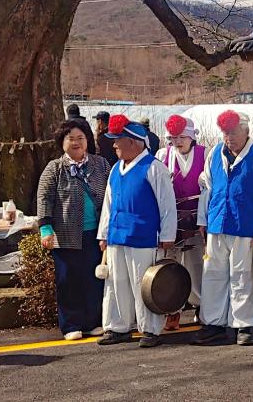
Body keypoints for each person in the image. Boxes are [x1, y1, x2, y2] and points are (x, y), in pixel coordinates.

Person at [193, 110, 253, 347]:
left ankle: (244, 324)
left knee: (243, 277)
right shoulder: (214, 154)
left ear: (246, 131)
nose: (228, 137)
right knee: (213, 275)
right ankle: (213, 324)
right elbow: (207, 189)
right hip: (217, 224)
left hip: (246, 226)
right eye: (225, 133)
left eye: (233, 132)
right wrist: (203, 220)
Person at [95, 116, 177, 349]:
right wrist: (103, 233)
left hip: (143, 236)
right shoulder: (115, 170)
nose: (114, 145)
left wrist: (167, 236)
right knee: (116, 283)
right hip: (116, 236)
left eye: (118, 140)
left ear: (133, 142)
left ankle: (150, 328)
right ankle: (117, 326)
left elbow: (167, 205)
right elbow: (108, 205)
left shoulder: (154, 168)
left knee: (144, 285)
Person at [36, 119, 112, 340]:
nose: (76, 142)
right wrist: (45, 229)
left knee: (92, 279)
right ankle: (70, 325)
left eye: (81, 138)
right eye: (71, 138)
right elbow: (44, 198)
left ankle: (92, 322)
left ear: (88, 140)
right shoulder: (54, 168)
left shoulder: (101, 164)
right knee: (68, 280)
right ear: (62, 142)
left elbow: (111, 194)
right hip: (65, 235)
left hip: (95, 233)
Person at [154, 114, 207, 331]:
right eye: (173, 138)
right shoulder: (163, 155)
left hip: (197, 219)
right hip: (171, 220)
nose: (177, 142)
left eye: (182, 137)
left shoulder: (206, 154)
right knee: (171, 266)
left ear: (192, 137)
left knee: (198, 265)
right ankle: (172, 309)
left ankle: (201, 306)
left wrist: (203, 219)